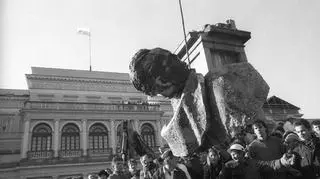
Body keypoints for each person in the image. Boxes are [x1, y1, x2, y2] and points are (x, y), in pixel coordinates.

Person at [220, 143, 295, 179]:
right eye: (233, 154)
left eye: (238, 153)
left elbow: (270, 164)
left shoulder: (253, 163)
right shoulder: (228, 165)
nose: (235, 156)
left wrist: (282, 161)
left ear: (243, 153)